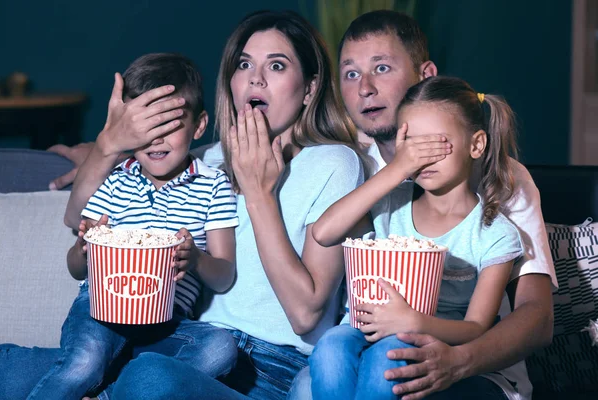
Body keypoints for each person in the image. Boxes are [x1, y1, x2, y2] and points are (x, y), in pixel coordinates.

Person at [46, 9, 556, 400]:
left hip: (458, 363)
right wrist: (103, 147)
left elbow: (537, 317)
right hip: (270, 347)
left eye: (382, 68)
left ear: (424, 74)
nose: (365, 87)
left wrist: (460, 360)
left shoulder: (492, 175)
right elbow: (151, 164)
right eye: (352, 74)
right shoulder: (341, 151)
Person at [56, 10, 366, 400]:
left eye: (276, 65)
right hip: (191, 347)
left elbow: (305, 316)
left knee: (149, 378)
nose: (256, 77)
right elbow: (74, 219)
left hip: (270, 368)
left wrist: (259, 193)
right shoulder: (209, 161)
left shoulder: (333, 162)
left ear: (309, 88)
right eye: (244, 64)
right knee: (13, 369)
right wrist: (105, 147)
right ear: (232, 83)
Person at [0, 53, 240, 400]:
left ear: (199, 126)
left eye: (169, 126)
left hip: (166, 322)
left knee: (220, 347)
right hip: (102, 309)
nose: (156, 140)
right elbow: (74, 267)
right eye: (146, 129)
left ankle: (105, 385)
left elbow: (224, 274)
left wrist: (196, 260)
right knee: (83, 363)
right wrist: (84, 249)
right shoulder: (116, 182)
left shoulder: (212, 185)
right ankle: (94, 374)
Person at [310, 75, 525, 399]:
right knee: (329, 347)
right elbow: (323, 233)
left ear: (476, 144)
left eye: (435, 143)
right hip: (361, 331)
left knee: (390, 356)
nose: (422, 157)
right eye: (412, 144)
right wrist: (397, 169)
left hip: (433, 342)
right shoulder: (388, 204)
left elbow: (476, 328)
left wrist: (413, 321)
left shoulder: (494, 233)